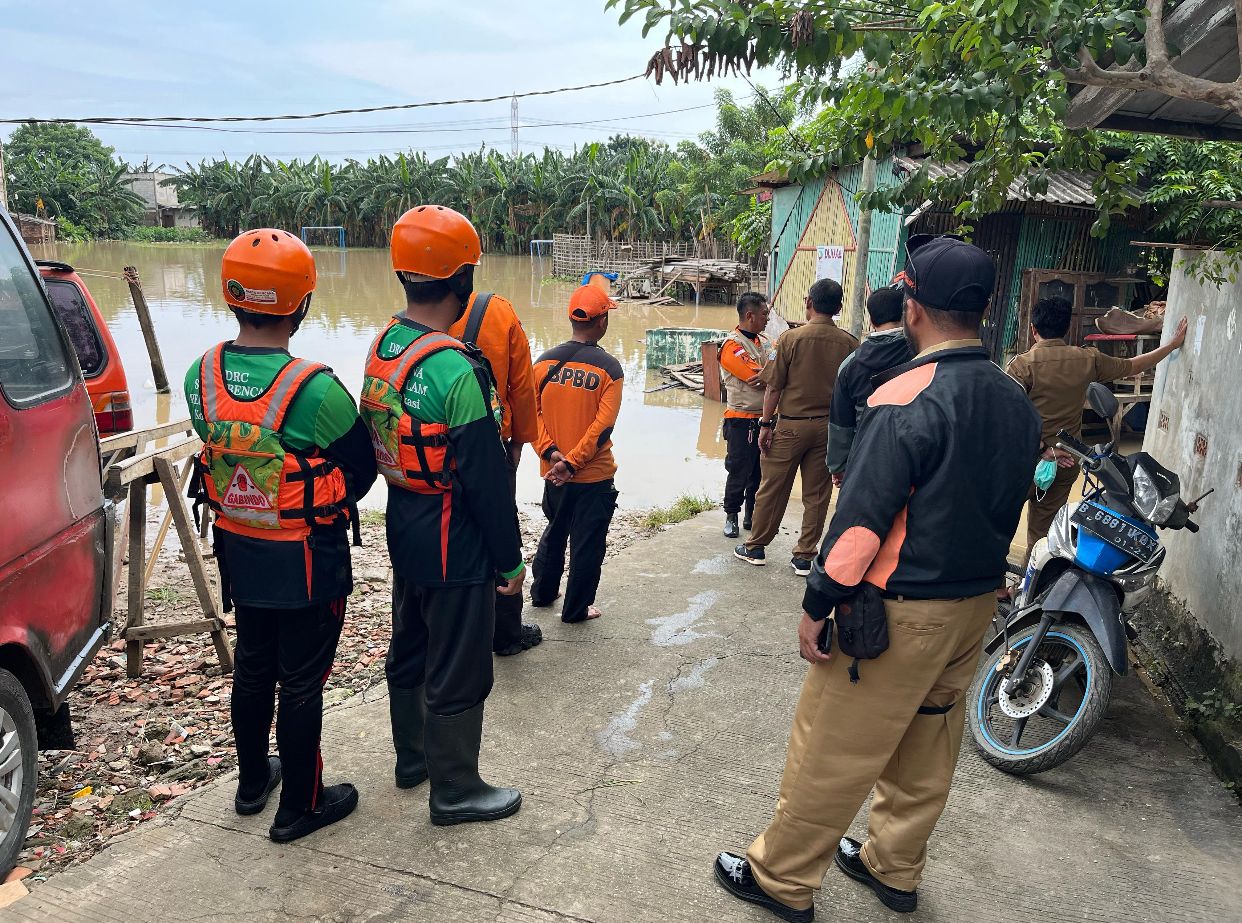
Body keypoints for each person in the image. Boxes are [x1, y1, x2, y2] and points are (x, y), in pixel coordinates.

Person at [713, 236, 1040, 921]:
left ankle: (782, 876)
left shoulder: (905, 394)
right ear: (983, 310)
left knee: (831, 746)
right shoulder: (1016, 397)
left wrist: (817, 601)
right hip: (975, 604)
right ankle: (893, 866)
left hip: (899, 611)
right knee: (928, 745)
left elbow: (860, 522)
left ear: (914, 306)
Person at [186, 229, 377, 843]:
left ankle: (251, 784)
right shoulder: (315, 389)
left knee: (253, 665)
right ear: (302, 305)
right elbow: (361, 469)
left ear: (230, 294)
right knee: (300, 682)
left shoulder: (201, 375)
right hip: (306, 562)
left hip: (239, 552)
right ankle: (301, 805)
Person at [361, 205, 525, 825]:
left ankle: (413, 758)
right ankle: (454, 789)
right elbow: (486, 482)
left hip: (403, 525)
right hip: (456, 539)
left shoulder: (383, 345)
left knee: (410, 642)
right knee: (458, 661)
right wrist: (509, 561)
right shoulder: (455, 367)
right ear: (460, 280)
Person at [1007, 296, 1188, 552]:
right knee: (1044, 535)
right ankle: (1036, 589)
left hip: (1022, 462)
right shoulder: (1087, 360)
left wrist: (1041, 449)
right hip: (1067, 460)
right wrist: (1170, 346)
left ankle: (1001, 591)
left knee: (1000, 527)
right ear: (1067, 328)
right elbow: (1133, 365)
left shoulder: (1021, 367)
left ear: (1033, 330)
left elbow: (1008, 418)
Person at [447, 264, 542, 657]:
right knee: (500, 529)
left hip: (430, 452)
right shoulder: (499, 311)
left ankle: (453, 629)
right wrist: (519, 442)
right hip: (492, 441)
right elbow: (522, 385)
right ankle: (505, 633)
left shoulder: (404, 325)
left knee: (451, 536)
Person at [734, 279, 857, 576]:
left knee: (772, 487)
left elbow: (773, 387)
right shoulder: (851, 344)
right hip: (828, 429)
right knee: (817, 494)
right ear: (839, 308)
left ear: (809, 303)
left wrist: (765, 423)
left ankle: (756, 547)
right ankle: (804, 555)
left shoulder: (789, 339)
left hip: (790, 426)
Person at [530, 285, 623, 623]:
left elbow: (532, 414)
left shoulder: (542, 362)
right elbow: (603, 428)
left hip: (553, 473)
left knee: (555, 531)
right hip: (592, 476)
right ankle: (576, 609)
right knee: (587, 544)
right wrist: (572, 462)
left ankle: (542, 594)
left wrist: (551, 453)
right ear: (602, 322)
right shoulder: (609, 369)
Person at [826, 286, 913, 485]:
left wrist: (838, 466)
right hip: (911, 457)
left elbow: (841, 422)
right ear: (906, 314)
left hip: (863, 456)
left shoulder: (851, 365)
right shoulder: (921, 356)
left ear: (871, 320)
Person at [718, 292, 773, 538]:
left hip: (766, 419)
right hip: (741, 420)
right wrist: (770, 375)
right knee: (739, 470)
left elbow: (778, 370)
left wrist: (769, 375)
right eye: (764, 315)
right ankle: (731, 515)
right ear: (749, 315)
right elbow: (757, 376)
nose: (767, 319)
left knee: (760, 473)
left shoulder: (765, 342)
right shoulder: (732, 346)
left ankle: (751, 514)